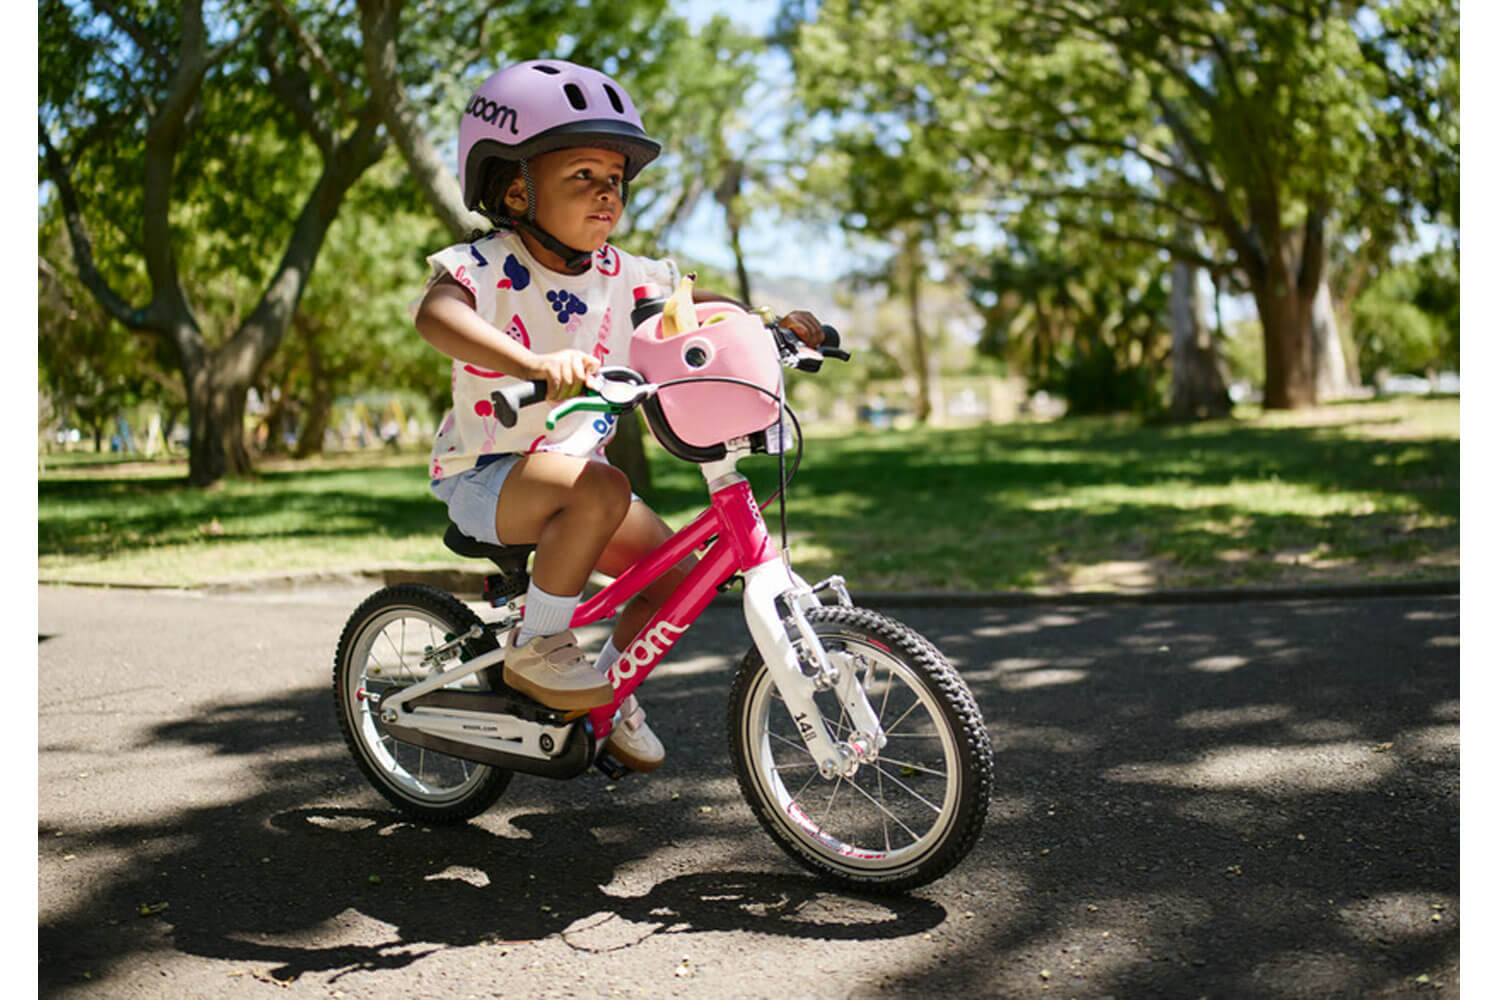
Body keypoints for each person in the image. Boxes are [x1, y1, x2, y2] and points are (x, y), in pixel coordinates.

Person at [412, 59, 825, 773]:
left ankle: (608, 687)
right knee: (600, 487)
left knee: (672, 584)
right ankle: (537, 650)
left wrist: (770, 324)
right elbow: (436, 317)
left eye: (616, 178)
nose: (608, 191)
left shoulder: (622, 272)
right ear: (516, 188)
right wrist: (535, 366)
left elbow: (694, 310)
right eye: (583, 175)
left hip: (575, 480)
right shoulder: (483, 264)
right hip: (486, 475)